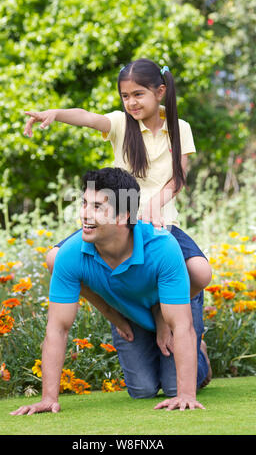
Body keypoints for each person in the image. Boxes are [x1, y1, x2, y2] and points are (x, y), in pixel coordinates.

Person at [11, 168, 210, 416]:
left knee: (174, 387)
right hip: (129, 306)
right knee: (143, 390)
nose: (85, 214)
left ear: (123, 215)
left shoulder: (163, 247)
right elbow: (57, 328)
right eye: (84, 203)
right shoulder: (71, 254)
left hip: (172, 301)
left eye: (97, 207)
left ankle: (200, 355)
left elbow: (181, 326)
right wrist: (48, 398)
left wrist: (186, 395)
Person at [23, 58, 212, 299]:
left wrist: (154, 204)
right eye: (125, 96)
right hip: (118, 222)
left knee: (201, 272)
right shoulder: (120, 123)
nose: (131, 102)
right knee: (54, 258)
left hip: (160, 222)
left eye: (138, 94)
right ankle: (113, 310)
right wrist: (56, 114)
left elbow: (178, 178)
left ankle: (162, 313)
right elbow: (87, 117)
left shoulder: (180, 128)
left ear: (160, 92)